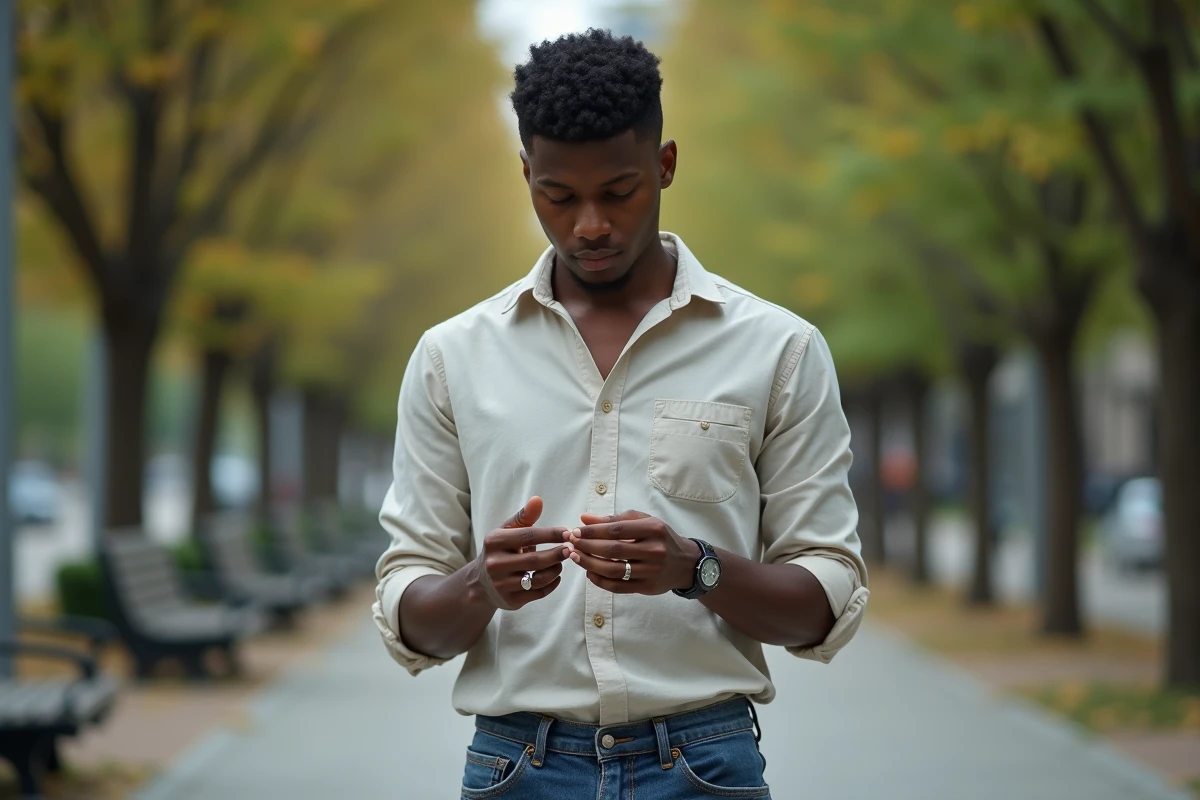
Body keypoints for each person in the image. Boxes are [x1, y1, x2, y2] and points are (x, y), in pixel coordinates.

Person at [373, 28, 868, 800]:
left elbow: (823, 600)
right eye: (559, 197)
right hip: (515, 768)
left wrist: (694, 567)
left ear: (665, 165)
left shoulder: (781, 350)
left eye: (619, 190)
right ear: (527, 175)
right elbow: (407, 611)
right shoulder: (450, 358)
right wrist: (481, 586)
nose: (590, 226)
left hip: (704, 768)